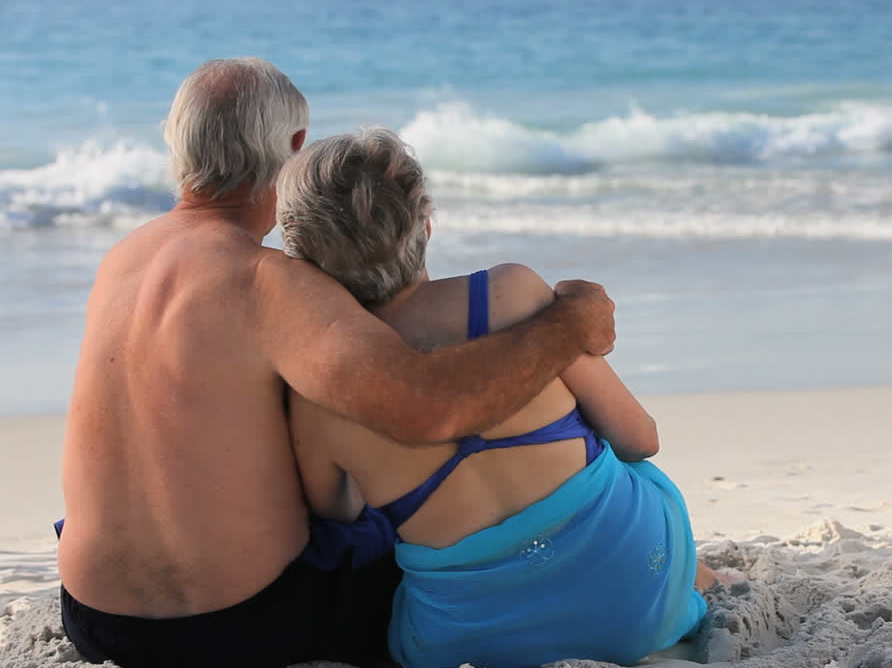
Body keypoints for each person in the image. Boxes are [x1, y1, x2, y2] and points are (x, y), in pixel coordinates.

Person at [57, 58, 616, 668]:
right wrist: (567, 325)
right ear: (297, 145)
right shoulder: (268, 282)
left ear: (174, 140)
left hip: (94, 618)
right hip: (238, 626)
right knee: (406, 517)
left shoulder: (121, 260)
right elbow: (431, 410)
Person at [277, 127, 713, 668]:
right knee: (633, 474)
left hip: (467, 639)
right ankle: (692, 581)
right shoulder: (509, 292)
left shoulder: (317, 390)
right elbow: (639, 439)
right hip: (635, 608)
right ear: (425, 224)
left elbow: (338, 509)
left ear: (302, 261)